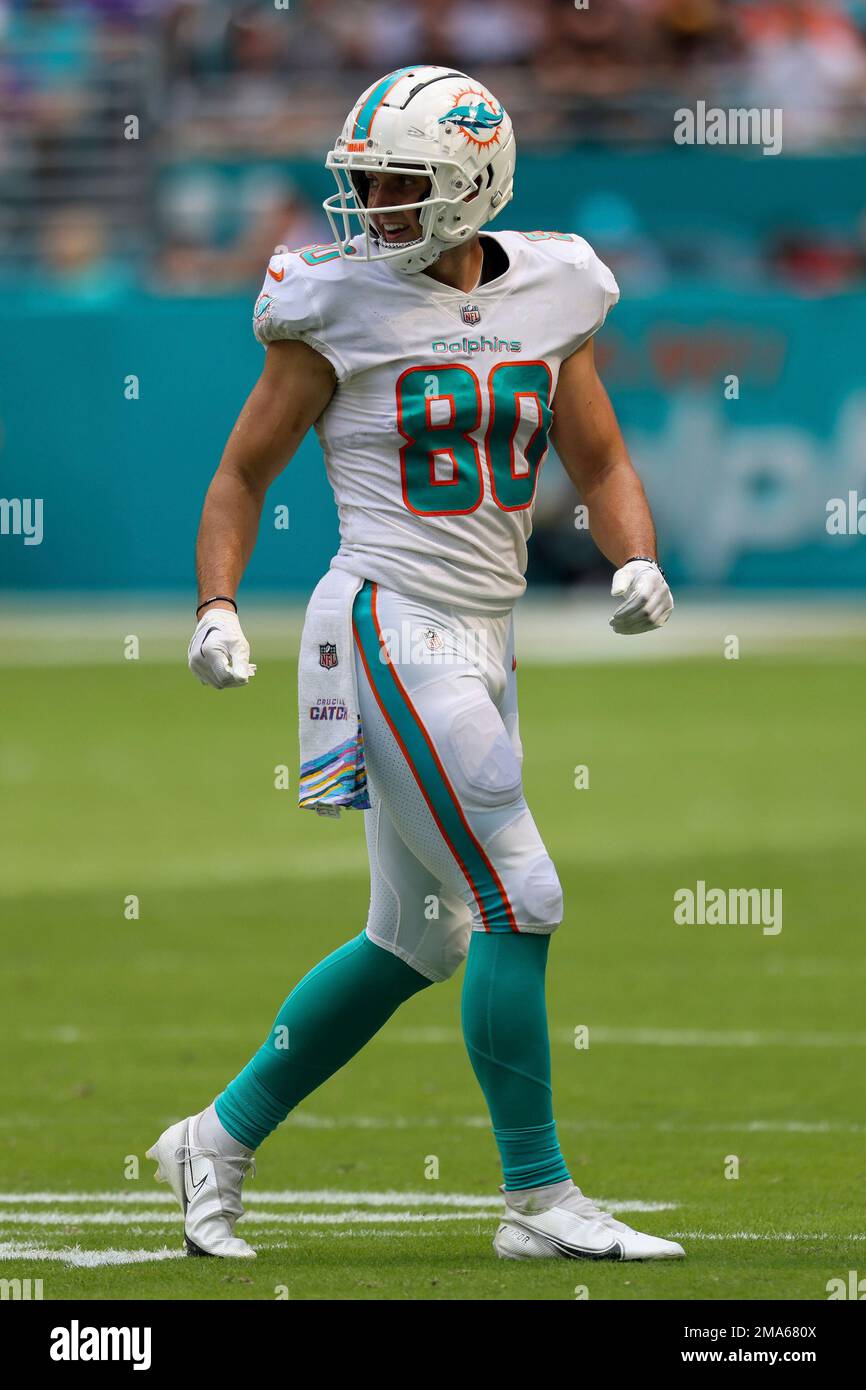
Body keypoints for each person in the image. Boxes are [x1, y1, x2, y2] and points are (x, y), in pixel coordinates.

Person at [148, 65, 680, 1264]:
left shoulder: (554, 284)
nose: (374, 204)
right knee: (519, 893)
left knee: (420, 935)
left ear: (473, 183)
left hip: (480, 636)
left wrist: (633, 557)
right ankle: (536, 1201)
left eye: (399, 182)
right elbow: (243, 472)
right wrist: (216, 602)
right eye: (365, 180)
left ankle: (214, 1140)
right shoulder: (331, 299)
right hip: (387, 621)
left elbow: (596, 461)